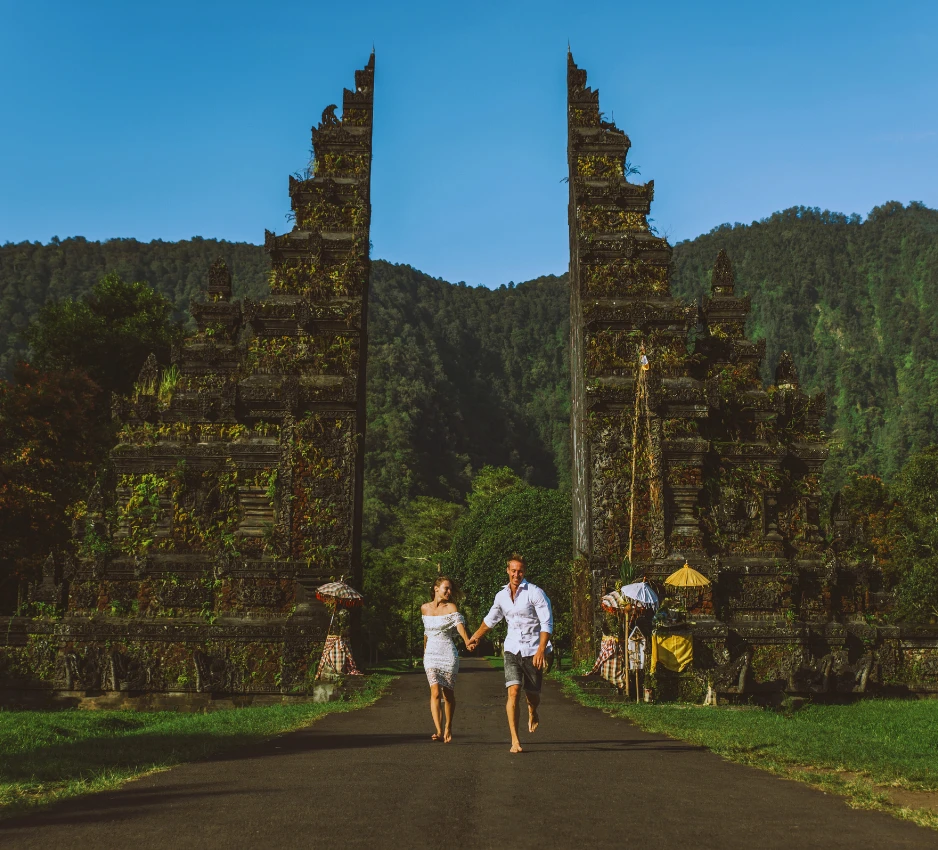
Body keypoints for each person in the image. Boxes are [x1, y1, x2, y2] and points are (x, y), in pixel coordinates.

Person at [467, 554, 552, 754]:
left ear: (524, 571)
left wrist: (541, 650)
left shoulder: (535, 593)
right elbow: (491, 619)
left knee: (532, 696)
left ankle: (532, 710)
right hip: (512, 649)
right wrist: (475, 637)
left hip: (532, 650)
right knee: (513, 691)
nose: (516, 574)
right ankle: (515, 739)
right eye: (513, 570)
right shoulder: (501, 596)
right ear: (508, 571)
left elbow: (547, 622)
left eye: (520, 571)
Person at [422, 575, 471, 743]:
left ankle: (448, 726)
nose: (449, 592)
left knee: (448, 694)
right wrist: (424, 653)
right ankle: (438, 729)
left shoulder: (451, 607)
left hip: (448, 654)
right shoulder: (424, 608)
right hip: (430, 655)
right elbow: (426, 633)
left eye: (450, 589)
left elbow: (459, 626)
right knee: (435, 691)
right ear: (436, 589)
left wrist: (467, 640)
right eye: (446, 588)